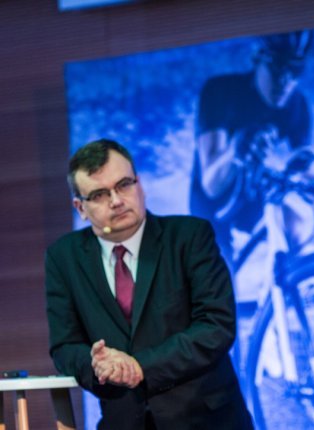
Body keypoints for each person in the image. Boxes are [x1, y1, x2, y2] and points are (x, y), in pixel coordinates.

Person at [45, 139, 253, 430]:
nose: (117, 200)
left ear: (139, 183)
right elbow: (65, 346)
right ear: (80, 207)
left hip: (205, 419)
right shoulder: (63, 257)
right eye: (100, 194)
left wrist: (139, 367)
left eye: (124, 185)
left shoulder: (190, 236)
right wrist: (100, 366)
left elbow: (216, 326)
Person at [190, 30, 314, 264]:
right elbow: (211, 184)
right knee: (222, 277)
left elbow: (305, 178)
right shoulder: (221, 91)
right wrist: (235, 149)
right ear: (257, 60)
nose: (285, 81)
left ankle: (283, 288)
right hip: (214, 202)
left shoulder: (298, 105)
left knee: (297, 227)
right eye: (277, 68)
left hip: (256, 194)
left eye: (295, 71)